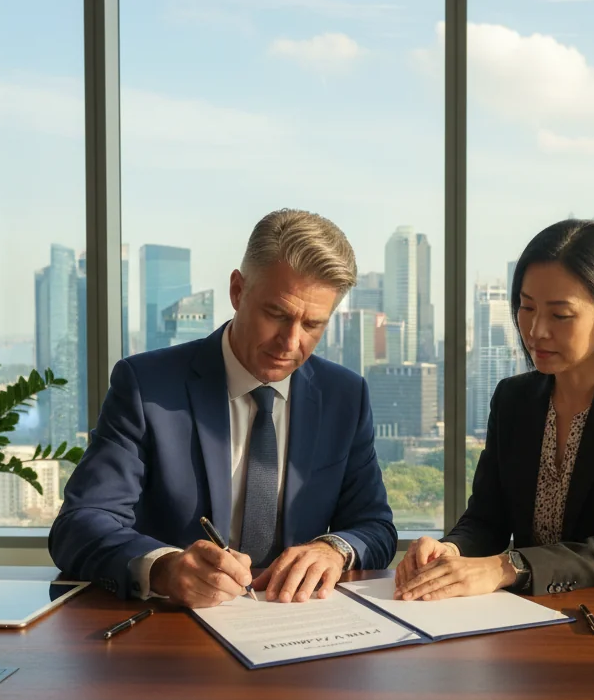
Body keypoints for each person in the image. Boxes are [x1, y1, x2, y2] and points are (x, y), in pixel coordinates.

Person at [50, 209, 396, 607]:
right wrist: (163, 568)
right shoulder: (147, 387)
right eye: (276, 314)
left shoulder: (344, 396)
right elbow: (79, 525)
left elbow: (375, 527)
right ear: (237, 290)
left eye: (312, 325)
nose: (290, 341)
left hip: (298, 626)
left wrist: (333, 549)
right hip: (177, 634)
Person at [395, 219, 594, 600]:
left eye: (560, 315)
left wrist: (508, 567)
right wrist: (451, 550)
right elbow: (487, 519)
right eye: (526, 307)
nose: (536, 330)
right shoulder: (513, 400)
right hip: (534, 613)